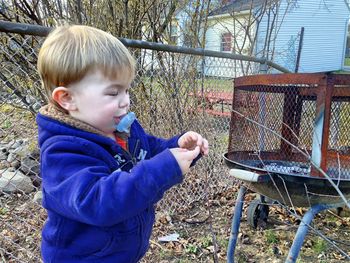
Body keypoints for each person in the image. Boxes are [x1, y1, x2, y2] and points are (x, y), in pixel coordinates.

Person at [36, 24, 209, 263]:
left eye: (126, 90)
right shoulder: (63, 151)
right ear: (68, 99)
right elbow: (98, 201)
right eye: (112, 93)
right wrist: (162, 169)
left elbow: (146, 151)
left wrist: (176, 147)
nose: (125, 101)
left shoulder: (121, 128)